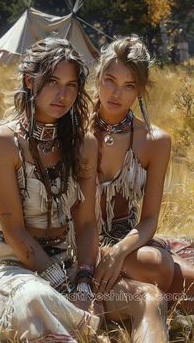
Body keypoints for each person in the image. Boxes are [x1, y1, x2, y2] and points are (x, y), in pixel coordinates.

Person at [0, 38, 100, 342]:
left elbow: (87, 221)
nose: (63, 95)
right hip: (11, 263)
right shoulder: (2, 142)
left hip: (67, 262)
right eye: (51, 82)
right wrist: (60, 284)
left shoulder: (84, 144)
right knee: (34, 299)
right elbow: (13, 230)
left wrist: (84, 280)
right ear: (29, 80)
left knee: (136, 298)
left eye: (71, 85)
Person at [90, 35, 194, 341]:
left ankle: (122, 286)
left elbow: (149, 219)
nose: (115, 93)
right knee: (169, 278)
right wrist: (97, 254)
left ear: (140, 90)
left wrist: (119, 253)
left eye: (128, 85)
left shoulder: (155, 140)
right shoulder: (76, 129)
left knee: (159, 267)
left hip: (131, 244)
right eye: (109, 80)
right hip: (80, 244)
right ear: (98, 77)